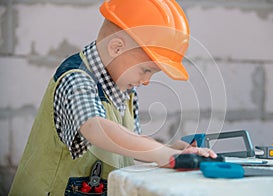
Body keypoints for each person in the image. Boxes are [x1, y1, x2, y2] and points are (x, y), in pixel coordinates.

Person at [9, 0, 217, 195]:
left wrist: (170, 150)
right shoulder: (76, 79)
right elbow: (96, 128)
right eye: (146, 70)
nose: (146, 81)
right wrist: (162, 154)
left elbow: (127, 145)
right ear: (117, 48)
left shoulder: (126, 93)